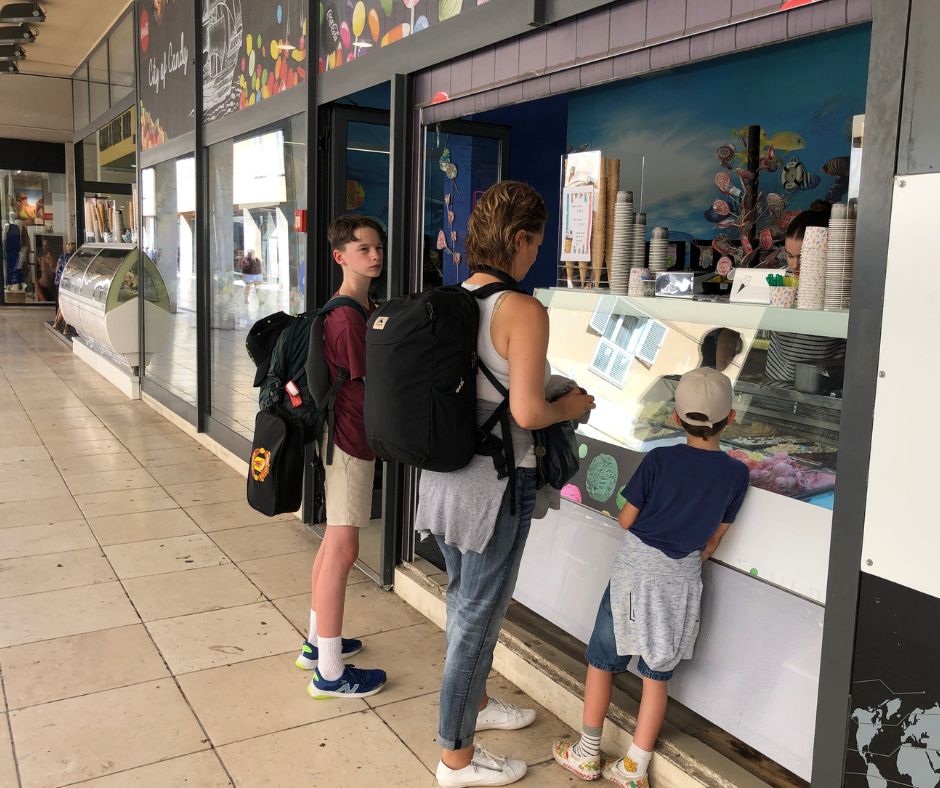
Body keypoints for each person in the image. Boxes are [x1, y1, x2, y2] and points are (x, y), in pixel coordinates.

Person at [418, 181, 595, 788]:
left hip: (443, 479)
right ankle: (457, 758)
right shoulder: (523, 310)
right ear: (519, 239)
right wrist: (567, 405)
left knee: (463, 601)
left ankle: (475, 705)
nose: (536, 255)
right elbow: (525, 413)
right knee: (479, 617)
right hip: (495, 488)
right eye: (537, 243)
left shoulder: (450, 299)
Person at [552, 367, 749, 787]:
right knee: (658, 676)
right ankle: (633, 767)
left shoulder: (659, 459)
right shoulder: (736, 474)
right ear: (730, 419)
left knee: (602, 662)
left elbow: (627, 520)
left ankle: (587, 753)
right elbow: (713, 541)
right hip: (681, 582)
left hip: (632, 578)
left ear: (676, 419)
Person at [297, 215, 389, 700]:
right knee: (343, 550)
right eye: (363, 249)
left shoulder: (355, 307)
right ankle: (329, 673)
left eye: (377, 248)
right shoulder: (347, 317)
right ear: (340, 257)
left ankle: (318, 645)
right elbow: (372, 380)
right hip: (350, 443)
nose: (374, 256)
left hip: (341, 437)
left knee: (332, 544)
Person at [765, 202, 846, 383]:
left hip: (820, 384)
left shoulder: (839, 286)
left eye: (802, 257)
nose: (794, 265)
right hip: (775, 379)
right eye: (789, 255)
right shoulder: (783, 280)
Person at [53, 241, 76, 333]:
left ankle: (57, 322)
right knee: (66, 305)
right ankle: (64, 326)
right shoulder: (73, 258)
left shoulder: (61, 257)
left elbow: (57, 269)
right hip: (68, 283)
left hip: (59, 282)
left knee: (62, 303)